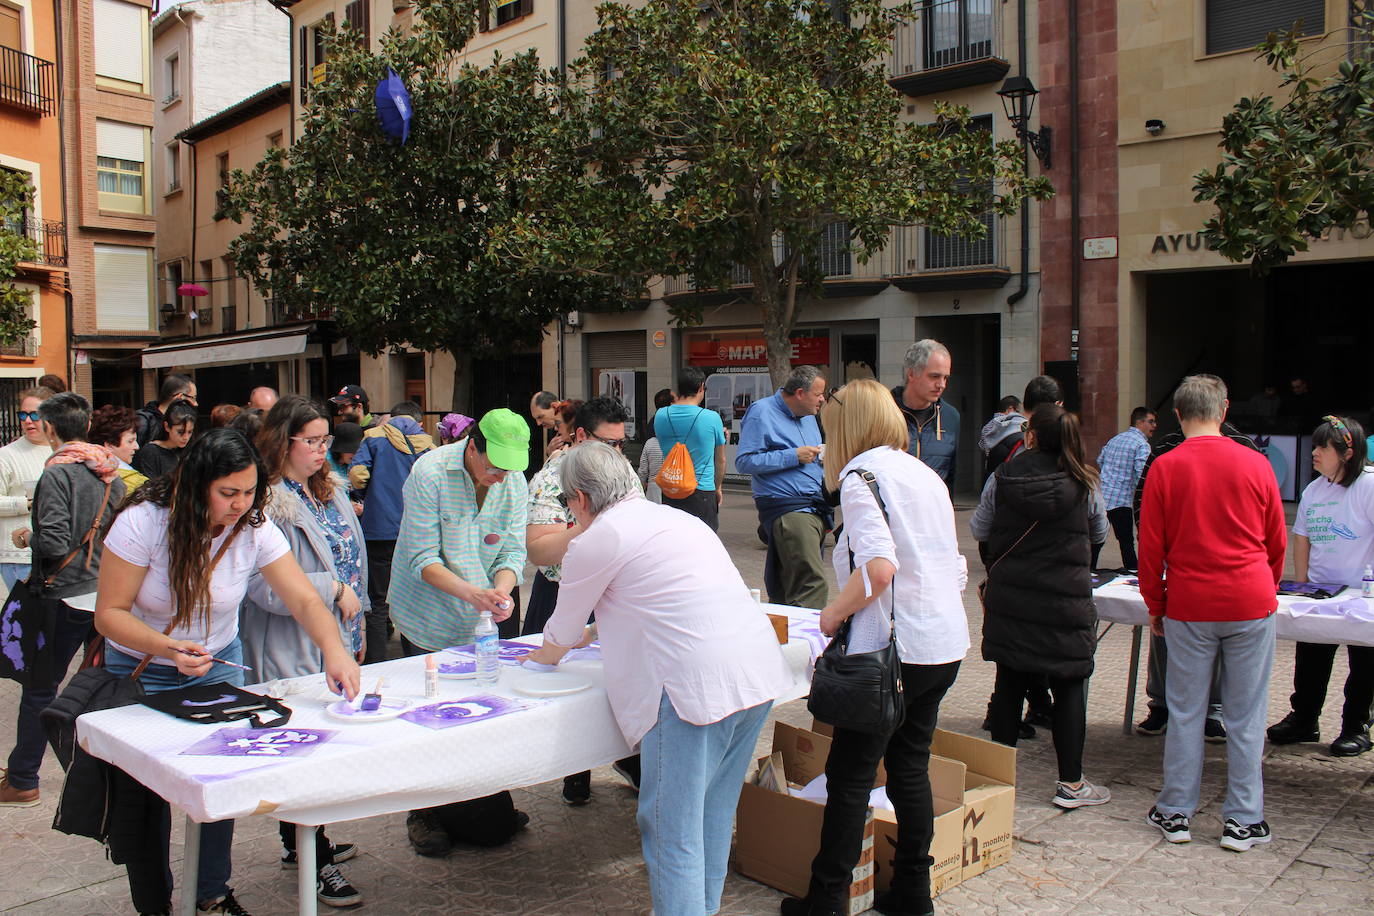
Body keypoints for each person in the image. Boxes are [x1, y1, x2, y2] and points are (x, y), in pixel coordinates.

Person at [94, 428, 361, 915]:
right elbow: (109, 613)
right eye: (227, 493)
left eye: (249, 492)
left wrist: (334, 650)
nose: (240, 504)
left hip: (215, 667)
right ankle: (153, 903)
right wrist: (166, 646)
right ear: (196, 484)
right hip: (141, 668)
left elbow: (302, 596)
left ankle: (211, 892)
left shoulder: (254, 527)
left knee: (220, 785)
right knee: (144, 801)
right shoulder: (143, 522)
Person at [527, 442, 791, 916]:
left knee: (673, 828)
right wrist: (593, 632)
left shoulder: (597, 538)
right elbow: (661, 594)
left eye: (568, 503)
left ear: (580, 500)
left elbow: (559, 634)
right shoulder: (678, 519)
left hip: (695, 690)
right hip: (754, 672)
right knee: (710, 810)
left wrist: (541, 659)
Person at [779, 378, 969, 916]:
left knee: (850, 777)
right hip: (941, 644)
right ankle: (912, 893)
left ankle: (827, 899)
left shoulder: (862, 477)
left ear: (844, 426)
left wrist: (833, 614)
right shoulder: (924, 473)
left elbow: (879, 568)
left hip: (893, 653)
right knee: (910, 766)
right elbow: (951, 565)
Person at [1139, 375, 1285, 852]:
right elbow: (1275, 540)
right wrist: (1267, 587)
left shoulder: (1166, 465)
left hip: (1190, 603)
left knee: (1185, 711)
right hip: (1249, 598)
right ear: (1223, 411)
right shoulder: (1256, 463)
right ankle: (1243, 819)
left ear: (1178, 416)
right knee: (1245, 715)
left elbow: (1151, 547)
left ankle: (1176, 810)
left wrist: (1156, 605)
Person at [239, 397, 367, 906]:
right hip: (291, 644)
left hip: (339, 637)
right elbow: (262, 587)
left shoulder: (327, 489)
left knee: (329, 748)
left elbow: (352, 556)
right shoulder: (264, 502)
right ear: (280, 441)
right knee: (303, 753)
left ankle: (312, 844)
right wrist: (332, 590)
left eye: (324, 441)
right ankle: (313, 859)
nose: (320, 451)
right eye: (310, 441)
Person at [388, 408, 531, 857]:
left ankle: (477, 795)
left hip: (480, 619)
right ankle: (423, 811)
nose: (499, 477)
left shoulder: (513, 480)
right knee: (430, 714)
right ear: (473, 446)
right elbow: (421, 557)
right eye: (492, 466)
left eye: (508, 469)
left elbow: (512, 547)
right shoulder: (429, 473)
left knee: (481, 711)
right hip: (427, 615)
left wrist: (502, 591)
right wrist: (474, 594)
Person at [970, 403, 1111, 810]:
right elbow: (1099, 531)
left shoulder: (1003, 477)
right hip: (1065, 600)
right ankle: (1071, 783)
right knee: (1068, 684)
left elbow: (980, 527)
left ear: (1030, 436)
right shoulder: (1084, 482)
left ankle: (998, 783)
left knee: (1010, 681)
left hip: (1013, 597)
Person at [1, 393, 124, 808]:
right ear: (86, 426)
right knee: (101, 686)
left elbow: (53, 541)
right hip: (103, 593)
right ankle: (111, 778)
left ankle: (22, 780)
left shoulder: (57, 474)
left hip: (63, 594)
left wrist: (26, 537)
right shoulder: (111, 472)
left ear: (50, 428)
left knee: (40, 688)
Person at [523, 396, 639, 805]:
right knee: (566, 690)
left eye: (622, 444)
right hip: (560, 590)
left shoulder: (624, 473)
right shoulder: (553, 476)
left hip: (614, 592)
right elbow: (538, 552)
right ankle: (575, 776)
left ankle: (629, 758)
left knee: (621, 680)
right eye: (608, 444)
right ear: (581, 436)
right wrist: (592, 529)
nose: (617, 453)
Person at [1130, 418, 1260, 739]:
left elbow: (1263, 515)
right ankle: (1160, 704)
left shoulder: (1244, 449)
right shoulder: (1165, 448)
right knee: (1163, 634)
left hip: (1230, 571)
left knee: (1218, 640)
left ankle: (1213, 710)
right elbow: (1141, 503)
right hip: (1178, 566)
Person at [1267, 416, 1374, 757]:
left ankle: (1356, 725)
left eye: (1321, 447)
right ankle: (1304, 718)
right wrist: (1304, 583)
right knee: (1311, 655)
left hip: (1362, 595)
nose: (1313, 452)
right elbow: (1302, 538)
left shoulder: (1369, 486)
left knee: (1365, 663)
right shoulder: (1314, 490)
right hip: (1322, 593)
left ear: (1346, 453)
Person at [736, 365, 831, 609]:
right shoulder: (761, 412)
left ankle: (782, 638)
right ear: (800, 393)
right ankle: (811, 641)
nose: (823, 399)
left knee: (786, 584)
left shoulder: (810, 417)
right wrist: (793, 456)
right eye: (818, 394)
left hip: (813, 507)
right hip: (788, 507)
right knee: (812, 582)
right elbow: (745, 461)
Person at [348, 401, 434, 666]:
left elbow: (357, 475)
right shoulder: (427, 445)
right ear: (418, 421)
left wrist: (369, 492)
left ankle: (377, 661)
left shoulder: (373, 438)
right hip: (416, 531)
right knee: (415, 599)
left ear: (390, 418)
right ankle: (417, 659)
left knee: (378, 600)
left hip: (379, 530)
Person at [654, 367, 727, 530]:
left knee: (675, 541)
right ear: (701, 387)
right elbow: (720, 460)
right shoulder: (712, 418)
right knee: (704, 543)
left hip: (671, 489)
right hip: (702, 490)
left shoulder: (660, 415)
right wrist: (718, 487)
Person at [0, 386, 54, 590]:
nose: (27, 420)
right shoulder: (7, 455)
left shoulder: (59, 450)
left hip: (53, 555)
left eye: (34, 415)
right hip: (19, 558)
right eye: (23, 414)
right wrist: (27, 504)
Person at [890, 339, 959, 489]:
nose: (942, 385)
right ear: (911, 374)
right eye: (934, 376)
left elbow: (950, 477)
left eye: (945, 377)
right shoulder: (884, 412)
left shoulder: (950, 416)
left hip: (933, 510)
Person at [1096, 407, 1157, 572]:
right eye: (1151, 421)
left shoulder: (1115, 439)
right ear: (1139, 422)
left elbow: (1100, 460)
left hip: (1103, 496)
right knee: (1126, 541)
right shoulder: (1142, 445)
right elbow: (1142, 475)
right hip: (1121, 499)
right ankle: (1132, 570)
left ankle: (1089, 569)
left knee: (1097, 538)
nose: (1154, 425)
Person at [89, 404, 148, 494]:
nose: (137, 447)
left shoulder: (84, 474)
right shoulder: (135, 483)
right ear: (109, 445)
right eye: (130, 441)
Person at [133, 400, 196, 480]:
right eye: (180, 432)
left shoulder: (189, 451)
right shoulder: (150, 452)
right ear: (167, 427)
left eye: (190, 432)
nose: (186, 437)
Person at [135, 373, 197, 447]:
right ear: (179, 397)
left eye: (189, 432)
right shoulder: (143, 422)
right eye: (193, 398)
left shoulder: (187, 420)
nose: (196, 403)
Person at [636, 389, 673, 503]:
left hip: (653, 486)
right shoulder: (677, 442)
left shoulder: (651, 439)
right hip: (671, 485)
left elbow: (643, 469)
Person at [978, 395, 1022, 476]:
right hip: (1007, 470)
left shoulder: (987, 426)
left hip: (991, 468)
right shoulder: (1010, 424)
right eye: (1018, 411)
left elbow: (982, 446)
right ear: (1010, 409)